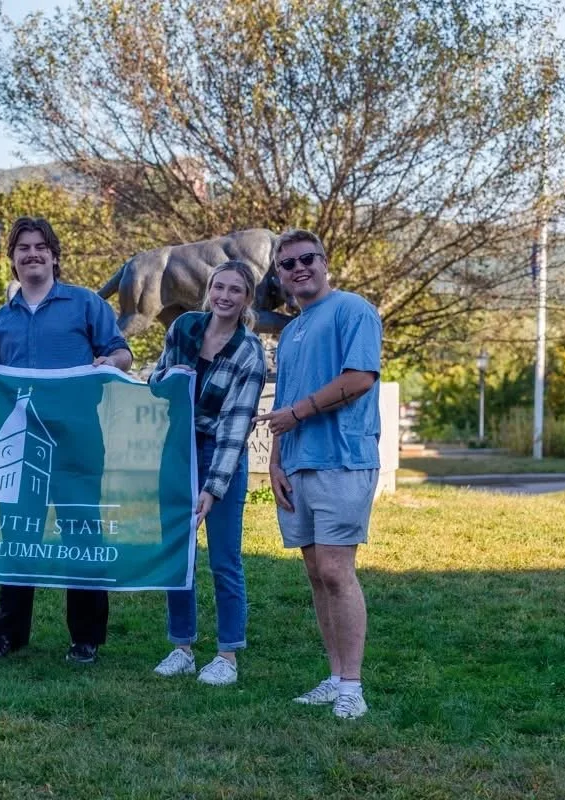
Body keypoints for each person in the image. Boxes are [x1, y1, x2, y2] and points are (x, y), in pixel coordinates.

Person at [0, 216, 132, 665]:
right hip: (20, 445)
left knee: (81, 532)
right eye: (23, 248)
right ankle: (8, 635)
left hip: (77, 439)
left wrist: (109, 361)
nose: (32, 254)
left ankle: (86, 638)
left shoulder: (85, 304)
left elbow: (121, 351)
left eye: (40, 247)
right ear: (14, 260)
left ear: (55, 255)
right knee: (17, 536)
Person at [254, 228, 381, 720]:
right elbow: (282, 403)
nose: (298, 268)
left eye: (307, 259)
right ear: (281, 277)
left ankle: (353, 687)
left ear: (325, 262)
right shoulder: (291, 331)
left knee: (335, 570)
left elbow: (360, 379)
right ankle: (333, 678)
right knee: (314, 573)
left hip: (343, 458)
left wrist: (299, 413)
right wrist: (274, 461)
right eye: (287, 264)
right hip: (298, 464)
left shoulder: (353, 310)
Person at [148, 260, 267, 685]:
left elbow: (236, 427)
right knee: (178, 553)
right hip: (177, 449)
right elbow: (155, 381)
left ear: (247, 299)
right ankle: (181, 646)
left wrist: (212, 490)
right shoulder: (183, 329)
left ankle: (227, 656)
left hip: (221, 452)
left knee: (224, 558)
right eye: (219, 287)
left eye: (236, 290)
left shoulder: (249, 353)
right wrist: (169, 378)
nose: (225, 296)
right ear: (208, 290)